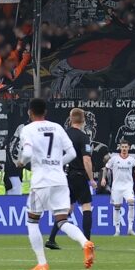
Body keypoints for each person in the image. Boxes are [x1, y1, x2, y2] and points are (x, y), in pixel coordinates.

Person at [18, 98, 95, 270]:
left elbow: (28, 153)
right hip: (60, 180)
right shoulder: (57, 127)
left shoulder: (28, 129)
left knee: (32, 221)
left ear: (30, 112)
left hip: (41, 182)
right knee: (62, 220)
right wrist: (57, 164)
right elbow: (72, 153)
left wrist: (21, 161)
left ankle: (42, 263)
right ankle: (85, 242)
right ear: (45, 112)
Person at [47, 107, 95, 250]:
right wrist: (91, 179)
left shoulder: (62, 135)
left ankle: (51, 239)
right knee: (86, 206)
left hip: (64, 176)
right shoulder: (83, 137)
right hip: (78, 175)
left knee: (66, 209)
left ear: (70, 119)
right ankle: (87, 242)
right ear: (83, 120)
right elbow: (86, 160)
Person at [103, 141, 135, 236]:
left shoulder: (132, 160)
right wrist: (103, 178)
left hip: (128, 186)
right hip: (116, 187)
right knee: (117, 207)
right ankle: (117, 230)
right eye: (123, 147)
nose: (124, 149)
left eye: (126, 147)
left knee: (131, 202)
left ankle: (130, 229)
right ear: (120, 148)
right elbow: (106, 168)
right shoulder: (114, 159)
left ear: (129, 148)